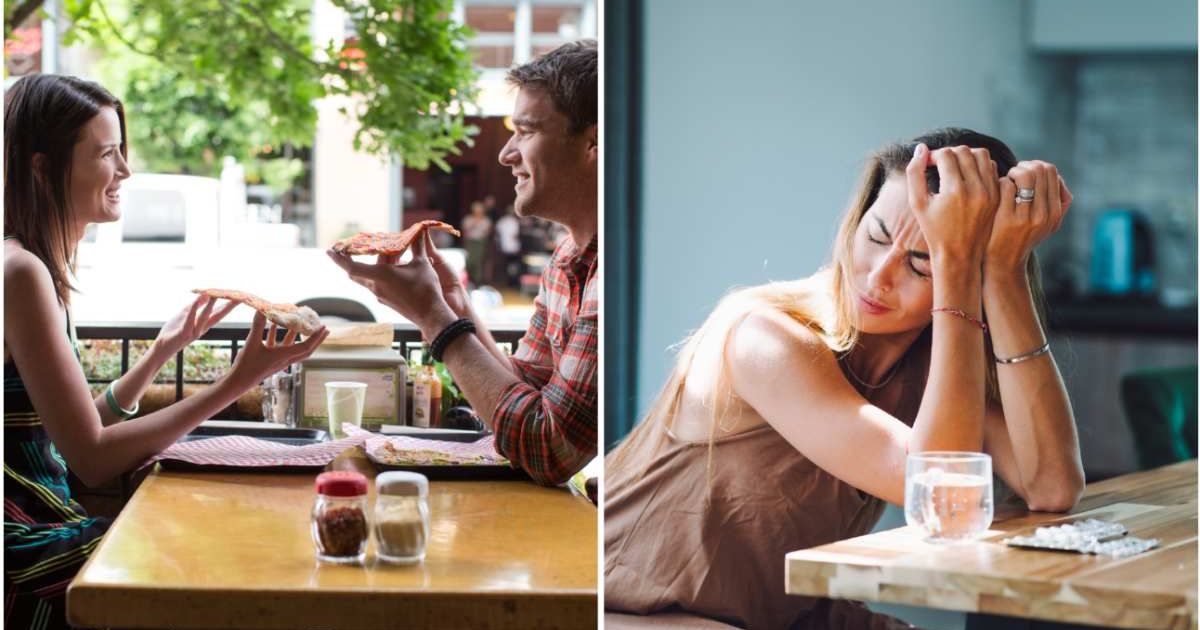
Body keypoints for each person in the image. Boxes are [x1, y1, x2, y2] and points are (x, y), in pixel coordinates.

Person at [604, 128, 1084, 629]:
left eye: (922, 263)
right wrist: (955, 262)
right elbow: (942, 497)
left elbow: (1050, 485)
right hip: (635, 610)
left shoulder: (931, 372)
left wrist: (1006, 268)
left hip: (780, 613)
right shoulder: (762, 335)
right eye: (875, 236)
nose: (878, 276)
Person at [3, 74, 328, 627]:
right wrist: (234, 383)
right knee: (213, 559)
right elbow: (93, 457)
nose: (126, 171)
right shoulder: (21, 271)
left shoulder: (35, 265)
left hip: (46, 525)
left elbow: (76, 430)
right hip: (25, 551)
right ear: (42, 168)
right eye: (108, 154)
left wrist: (160, 352)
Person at [329, 40, 598, 485]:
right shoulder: (567, 258)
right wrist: (458, 308)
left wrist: (434, 320)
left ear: (593, 142)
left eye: (526, 131)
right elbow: (524, 391)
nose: (506, 153)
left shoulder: (613, 271)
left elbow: (550, 449)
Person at [462, 199, 493, 286]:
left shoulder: (486, 220)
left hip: (480, 242)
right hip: (471, 242)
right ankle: (468, 280)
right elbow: (466, 230)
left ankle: (477, 281)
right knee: (469, 261)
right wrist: (475, 222)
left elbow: (487, 231)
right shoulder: (468, 219)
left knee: (478, 262)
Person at [495, 203, 522, 288]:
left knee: (507, 265)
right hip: (513, 247)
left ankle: (509, 281)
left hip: (504, 247)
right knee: (513, 266)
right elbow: (515, 235)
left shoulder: (501, 221)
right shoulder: (514, 221)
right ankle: (512, 282)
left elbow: (497, 233)